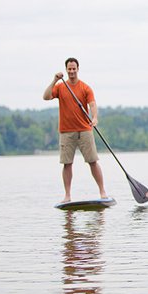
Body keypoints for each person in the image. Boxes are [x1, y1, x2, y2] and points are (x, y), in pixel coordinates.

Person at [43, 57, 108, 203]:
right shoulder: (60, 87)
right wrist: (54, 80)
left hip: (84, 130)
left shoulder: (85, 87)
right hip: (66, 132)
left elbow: (92, 104)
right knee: (67, 164)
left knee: (92, 161)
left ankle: (102, 191)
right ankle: (67, 195)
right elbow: (46, 97)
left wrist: (95, 117)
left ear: (78, 69)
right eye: (69, 69)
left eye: (74, 69)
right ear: (66, 70)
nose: (72, 71)